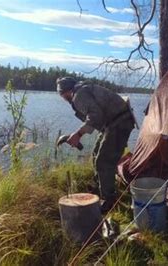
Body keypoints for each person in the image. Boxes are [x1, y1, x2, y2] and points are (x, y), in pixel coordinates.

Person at [56, 77, 134, 213]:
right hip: (112, 124)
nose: (62, 98)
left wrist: (78, 134)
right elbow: (98, 118)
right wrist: (76, 134)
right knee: (96, 154)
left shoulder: (78, 95)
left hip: (119, 123)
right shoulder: (82, 91)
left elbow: (95, 116)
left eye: (61, 94)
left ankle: (109, 200)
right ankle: (102, 189)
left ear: (65, 92)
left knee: (103, 162)